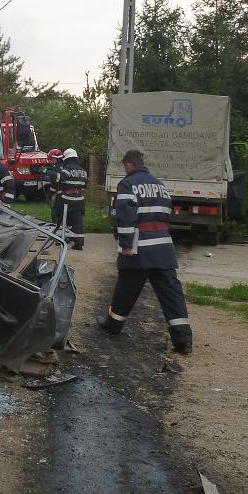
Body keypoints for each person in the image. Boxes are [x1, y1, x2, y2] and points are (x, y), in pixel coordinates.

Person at [97, 150, 193, 355]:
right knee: (171, 294)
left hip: (139, 249)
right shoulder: (159, 184)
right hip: (164, 250)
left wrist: (126, 245)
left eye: (125, 167)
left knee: (126, 289)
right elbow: (167, 213)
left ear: (130, 165)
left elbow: (124, 216)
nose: (125, 170)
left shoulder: (128, 184)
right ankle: (183, 339)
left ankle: (113, 325)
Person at [53, 148, 87, 250]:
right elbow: (85, 185)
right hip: (80, 199)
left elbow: (60, 178)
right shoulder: (83, 170)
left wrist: (47, 172)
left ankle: (61, 240)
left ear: (66, 158)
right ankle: (79, 243)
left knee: (61, 218)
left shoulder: (68, 168)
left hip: (67, 199)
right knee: (77, 221)